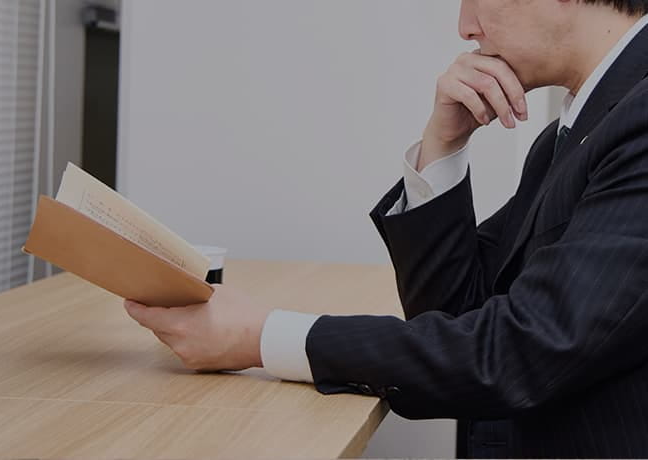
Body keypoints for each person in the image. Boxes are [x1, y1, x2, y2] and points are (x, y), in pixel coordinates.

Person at [124, 0, 648, 457]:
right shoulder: (575, 131)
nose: (465, 26)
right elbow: (457, 315)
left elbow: (519, 353)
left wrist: (260, 337)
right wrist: (442, 146)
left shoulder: (637, 120)